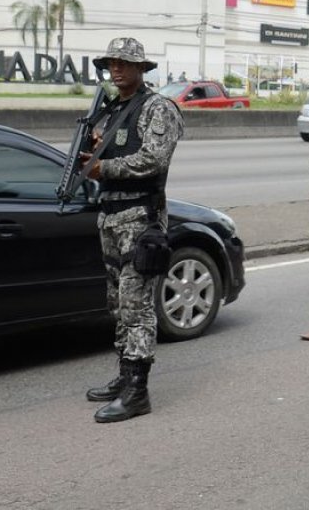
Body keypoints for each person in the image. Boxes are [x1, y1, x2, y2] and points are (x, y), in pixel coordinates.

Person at [81, 37, 185, 424]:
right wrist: (92, 153)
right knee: (117, 304)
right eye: (112, 62)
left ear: (142, 68)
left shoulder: (158, 108)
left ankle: (138, 392)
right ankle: (125, 377)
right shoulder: (111, 111)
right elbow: (104, 155)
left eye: (125, 62)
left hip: (140, 220)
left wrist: (101, 168)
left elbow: (154, 159)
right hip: (110, 216)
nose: (117, 68)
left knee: (137, 306)